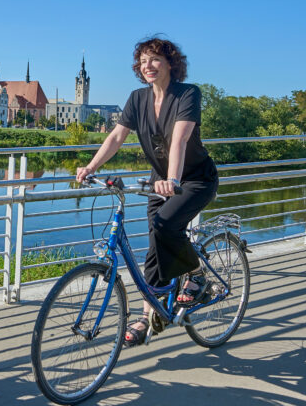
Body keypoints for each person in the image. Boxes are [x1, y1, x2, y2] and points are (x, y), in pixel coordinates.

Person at [75, 35, 219, 347]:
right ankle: (147, 316)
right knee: (156, 240)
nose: (148, 66)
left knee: (166, 224)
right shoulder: (137, 99)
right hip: (160, 180)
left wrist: (173, 181)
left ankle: (196, 275)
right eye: (142, 61)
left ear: (170, 63)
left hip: (194, 179)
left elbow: (179, 140)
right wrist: (90, 167)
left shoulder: (187, 94)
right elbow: (116, 138)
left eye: (154, 59)